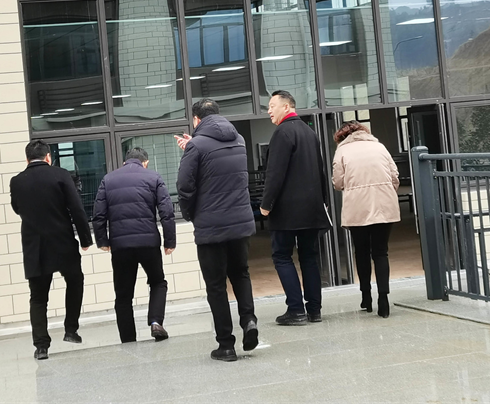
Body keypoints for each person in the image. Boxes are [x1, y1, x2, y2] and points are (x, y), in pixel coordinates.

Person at [176, 99, 258, 362]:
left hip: (211, 226)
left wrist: (190, 214)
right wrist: (194, 145)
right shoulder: (239, 140)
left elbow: (185, 186)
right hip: (240, 223)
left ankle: (226, 344)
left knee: (216, 286)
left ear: (196, 120)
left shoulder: (197, 146)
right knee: (241, 274)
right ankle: (249, 320)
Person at [10, 140, 93, 360]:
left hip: (34, 246)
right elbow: (76, 208)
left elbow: (17, 208)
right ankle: (71, 330)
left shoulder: (17, 181)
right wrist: (85, 238)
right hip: (62, 241)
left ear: (27, 159)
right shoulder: (61, 175)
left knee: (38, 297)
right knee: (75, 281)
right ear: (48, 157)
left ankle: (41, 346)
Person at [260, 90, 331, 326]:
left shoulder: (282, 133)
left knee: (282, 256)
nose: (269, 111)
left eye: (272, 106)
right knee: (309, 257)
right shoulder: (310, 132)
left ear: (287, 106)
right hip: (311, 209)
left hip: (287, 211)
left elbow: (275, 173)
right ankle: (314, 310)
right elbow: (320, 170)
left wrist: (266, 204)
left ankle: (296, 310)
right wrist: (323, 201)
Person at [92, 147, 176, 343]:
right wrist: (169, 241)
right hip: (148, 243)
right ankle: (156, 322)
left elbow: (98, 215)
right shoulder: (154, 177)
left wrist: (102, 241)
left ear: (124, 162)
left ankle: (128, 340)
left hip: (120, 246)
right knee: (157, 282)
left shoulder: (108, 180)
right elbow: (167, 212)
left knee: (123, 295)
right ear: (145, 163)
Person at [332, 121, 400, 318]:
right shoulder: (380, 147)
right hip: (384, 204)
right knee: (381, 252)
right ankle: (383, 300)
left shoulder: (342, 151)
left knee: (361, 251)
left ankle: (366, 297)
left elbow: (338, 183)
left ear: (341, 136)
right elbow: (395, 176)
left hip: (357, 207)